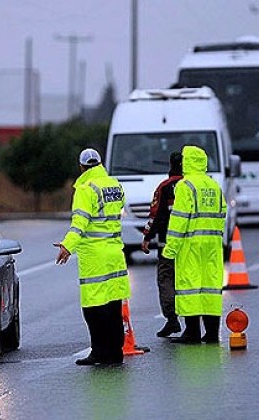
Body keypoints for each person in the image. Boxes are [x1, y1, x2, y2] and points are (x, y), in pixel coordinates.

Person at [54, 148, 131, 366]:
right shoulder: (114, 185)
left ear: (81, 167)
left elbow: (80, 223)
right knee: (114, 305)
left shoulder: (85, 189)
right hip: (115, 253)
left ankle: (99, 352)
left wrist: (67, 246)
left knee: (94, 308)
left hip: (94, 256)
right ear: (99, 163)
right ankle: (115, 353)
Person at [162, 146, 226, 344]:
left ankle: (192, 332)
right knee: (210, 288)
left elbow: (179, 220)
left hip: (190, 244)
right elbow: (222, 213)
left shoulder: (185, 186)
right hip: (213, 245)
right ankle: (212, 332)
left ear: (187, 162)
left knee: (190, 287)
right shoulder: (213, 185)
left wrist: (170, 249)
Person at [141, 151, 183, 338]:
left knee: (166, 279)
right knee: (189, 281)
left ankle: (172, 319)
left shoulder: (164, 187)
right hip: (191, 244)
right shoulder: (193, 186)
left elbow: (155, 214)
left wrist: (147, 237)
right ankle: (194, 322)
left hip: (167, 244)